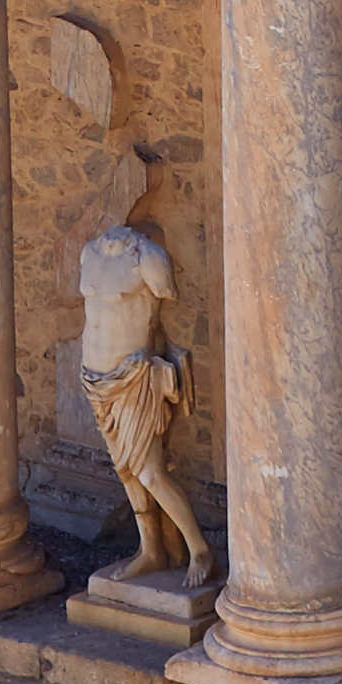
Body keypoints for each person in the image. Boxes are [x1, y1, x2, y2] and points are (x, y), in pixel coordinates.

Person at [79, 224, 205, 591]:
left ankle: (199, 550)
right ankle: (151, 550)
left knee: (150, 472)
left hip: (134, 378)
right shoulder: (89, 252)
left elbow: (161, 316)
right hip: (96, 380)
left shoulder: (149, 257)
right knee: (127, 472)